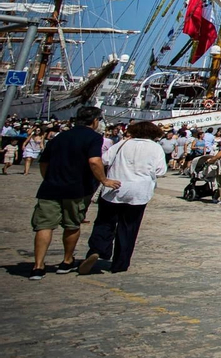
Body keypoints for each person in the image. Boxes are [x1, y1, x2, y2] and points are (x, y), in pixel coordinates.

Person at [29, 108, 116, 279]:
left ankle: (38, 266)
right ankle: (67, 261)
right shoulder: (94, 138)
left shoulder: (59, 137)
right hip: (76, 188)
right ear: (95, 121)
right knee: (72, 225)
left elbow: (44, 162)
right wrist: (104, 180)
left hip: (50, 188)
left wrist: (49, 178)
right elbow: (94, 161)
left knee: (44, 226)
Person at [77, 120, 167, 275]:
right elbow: (160, 170)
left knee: (105, 222)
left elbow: (104, 160)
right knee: (129, 227)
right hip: (139, 191)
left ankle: (97, 249)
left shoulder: (122, 144)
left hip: (115, 187)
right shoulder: (155, 148)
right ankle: (120, 263)